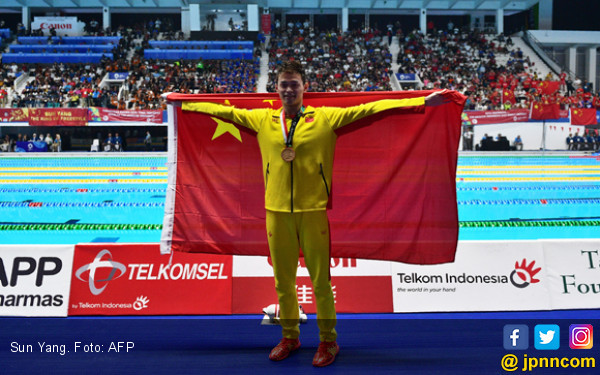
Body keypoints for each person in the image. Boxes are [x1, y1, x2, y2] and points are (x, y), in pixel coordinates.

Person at [182, 61, 447, 367]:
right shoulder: (262, 120)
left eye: (294, 84)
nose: (289, 89)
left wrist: (418, 101)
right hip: (276, 212)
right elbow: (224, 111)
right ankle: (290, 336)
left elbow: (371, 108)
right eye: (284, 84)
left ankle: (328, 341)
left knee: (320, 281)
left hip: (313, 212)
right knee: (283, 281)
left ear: (304, 87)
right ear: (276, 88)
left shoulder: (325, 118)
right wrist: (182, 104)